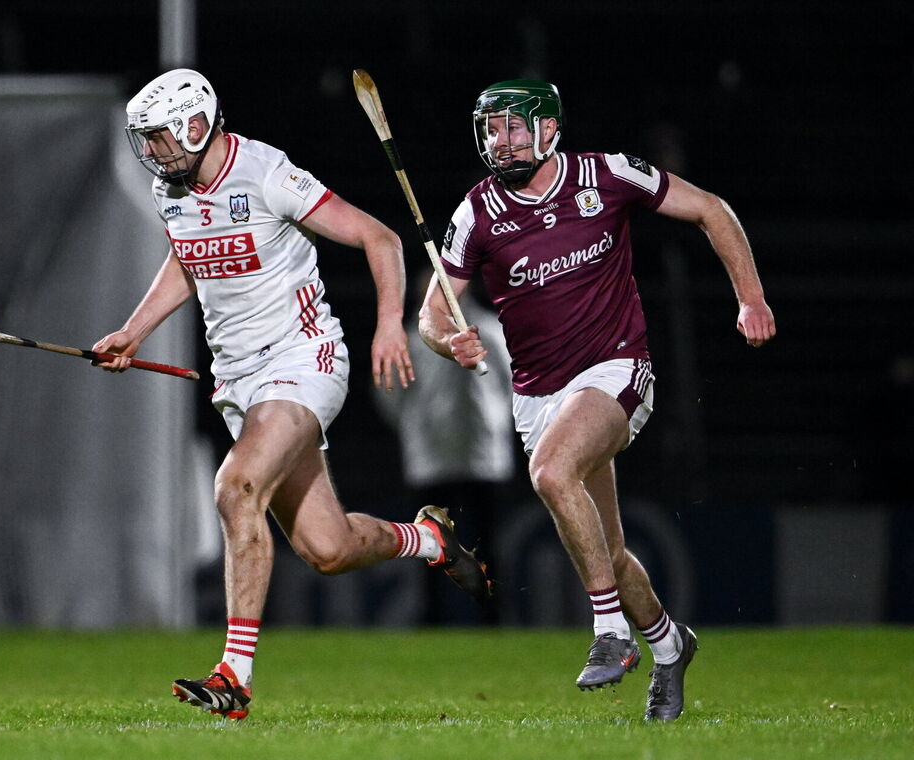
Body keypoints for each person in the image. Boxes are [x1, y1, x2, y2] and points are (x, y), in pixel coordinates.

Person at [93, 68, 491, 720]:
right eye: (148, 140)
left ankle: (234, 677)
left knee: (235, 485)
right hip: (239, 383)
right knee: (327, 549)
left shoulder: (267, 172)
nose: (155, 151)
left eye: (162, 137)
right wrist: (134, 331)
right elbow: (187, 257)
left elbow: (380, 238)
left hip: (305, 360)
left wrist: (389, 325)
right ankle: (428, 539)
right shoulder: (172, 189)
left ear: (197, 124)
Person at [418, 79, 775, 722]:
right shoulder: (475, 212)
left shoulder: (607, 175)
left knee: (552, 471)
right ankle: (670, 647)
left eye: (514, 127)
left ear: (550, 129)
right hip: (537, 395)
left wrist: (749, 297)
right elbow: (429, 317)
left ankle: (609, 631)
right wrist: (452, 343)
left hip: (617, 368)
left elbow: (712, 210)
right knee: (609, 553)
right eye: (491, 129)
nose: (501, 141)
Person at [373, 268, 515, 625]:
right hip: (431, 459)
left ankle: (492, 615)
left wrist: (497, 426)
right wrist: (414, 428)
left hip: (483, 458)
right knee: (432, 544)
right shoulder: (411, 340)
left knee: (487, 541)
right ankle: (433, 617)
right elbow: (390, 394)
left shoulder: (492, 333)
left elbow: (515, 388)